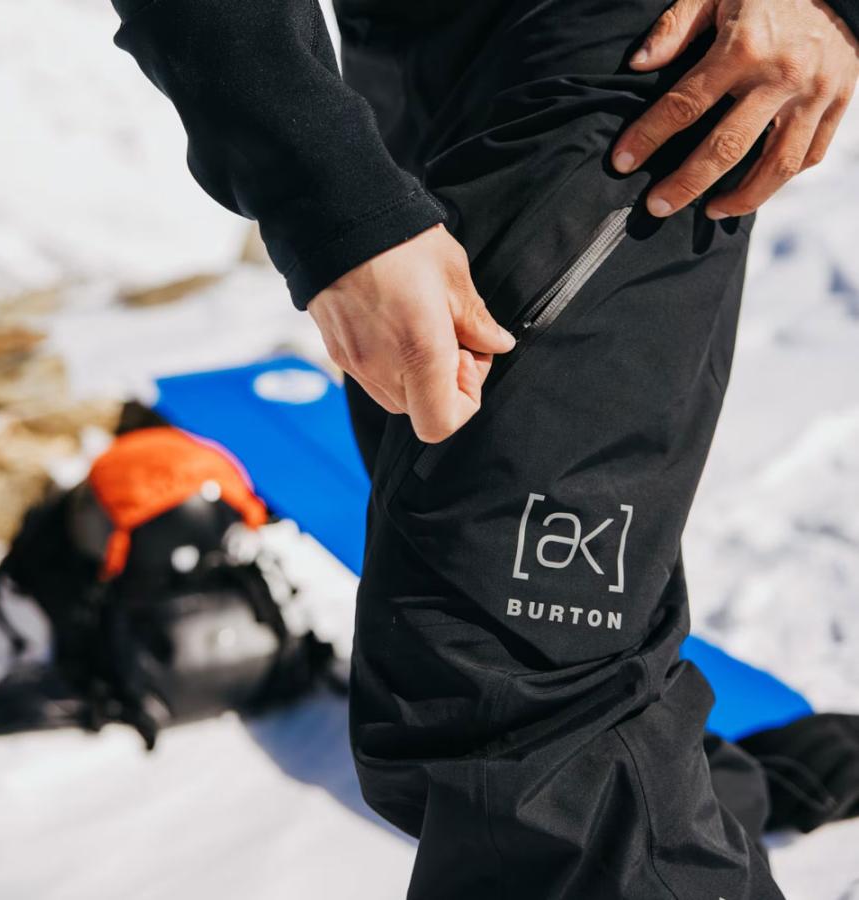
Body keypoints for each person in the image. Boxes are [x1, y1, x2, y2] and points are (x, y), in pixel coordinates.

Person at [108, 0, 859, 896]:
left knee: (508, 692)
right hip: (404, 66)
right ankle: (693, 802)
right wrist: (328, 189)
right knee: (521, 612)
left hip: (629, 63)